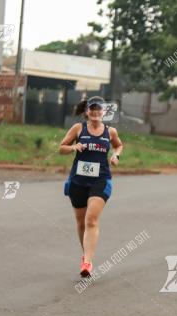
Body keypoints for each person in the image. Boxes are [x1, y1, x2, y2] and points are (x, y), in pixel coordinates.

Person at [58, 96, 123, 277]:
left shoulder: (110, 132)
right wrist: (73, 147)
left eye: (98, 109)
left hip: (100, 179)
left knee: (91, 220)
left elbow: (118, 146)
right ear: (87, 111)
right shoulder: (79, 128)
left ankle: (87, 262)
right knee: (80, 223)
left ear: (104, 111)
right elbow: (61, 147)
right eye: (91, 109)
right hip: (78, 180)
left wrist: (116, 156)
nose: (95, 112)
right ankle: (86, 256)